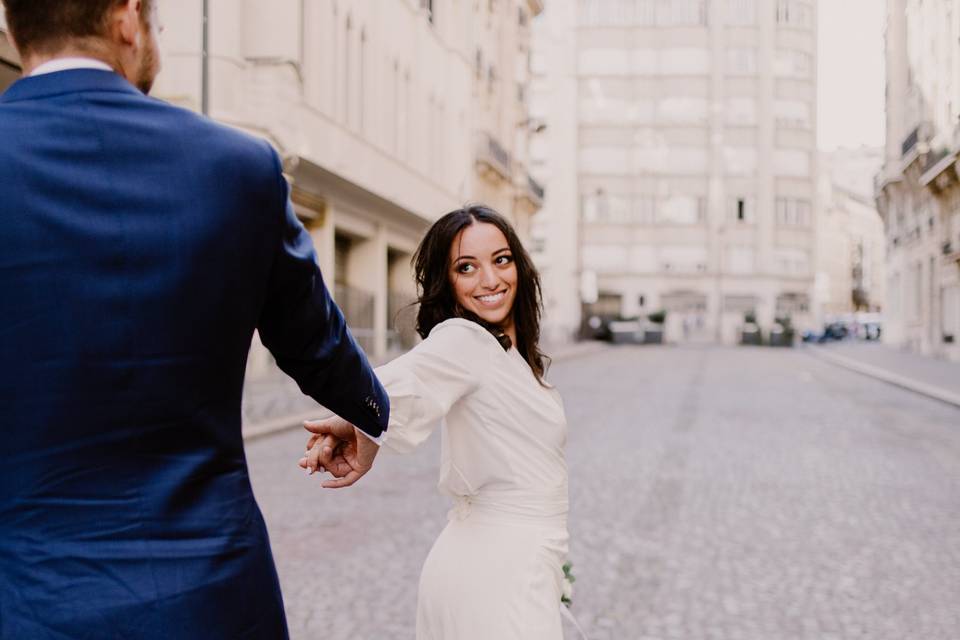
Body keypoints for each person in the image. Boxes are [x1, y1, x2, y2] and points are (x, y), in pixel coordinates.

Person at [0, 1, 389, 638]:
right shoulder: (239, 167)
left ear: (17, 28)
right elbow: (316, 343)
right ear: (127, 18)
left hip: (24, 600)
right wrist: (367, 410)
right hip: (206, 598)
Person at [301, 205, 571, 639]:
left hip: (513, 563)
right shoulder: (466, 339)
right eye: (467, 267)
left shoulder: (510, 357)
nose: (490, 280)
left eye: (501, 260)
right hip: (497, 574)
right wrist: (357, 421)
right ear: (449, 283)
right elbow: (401, 381)